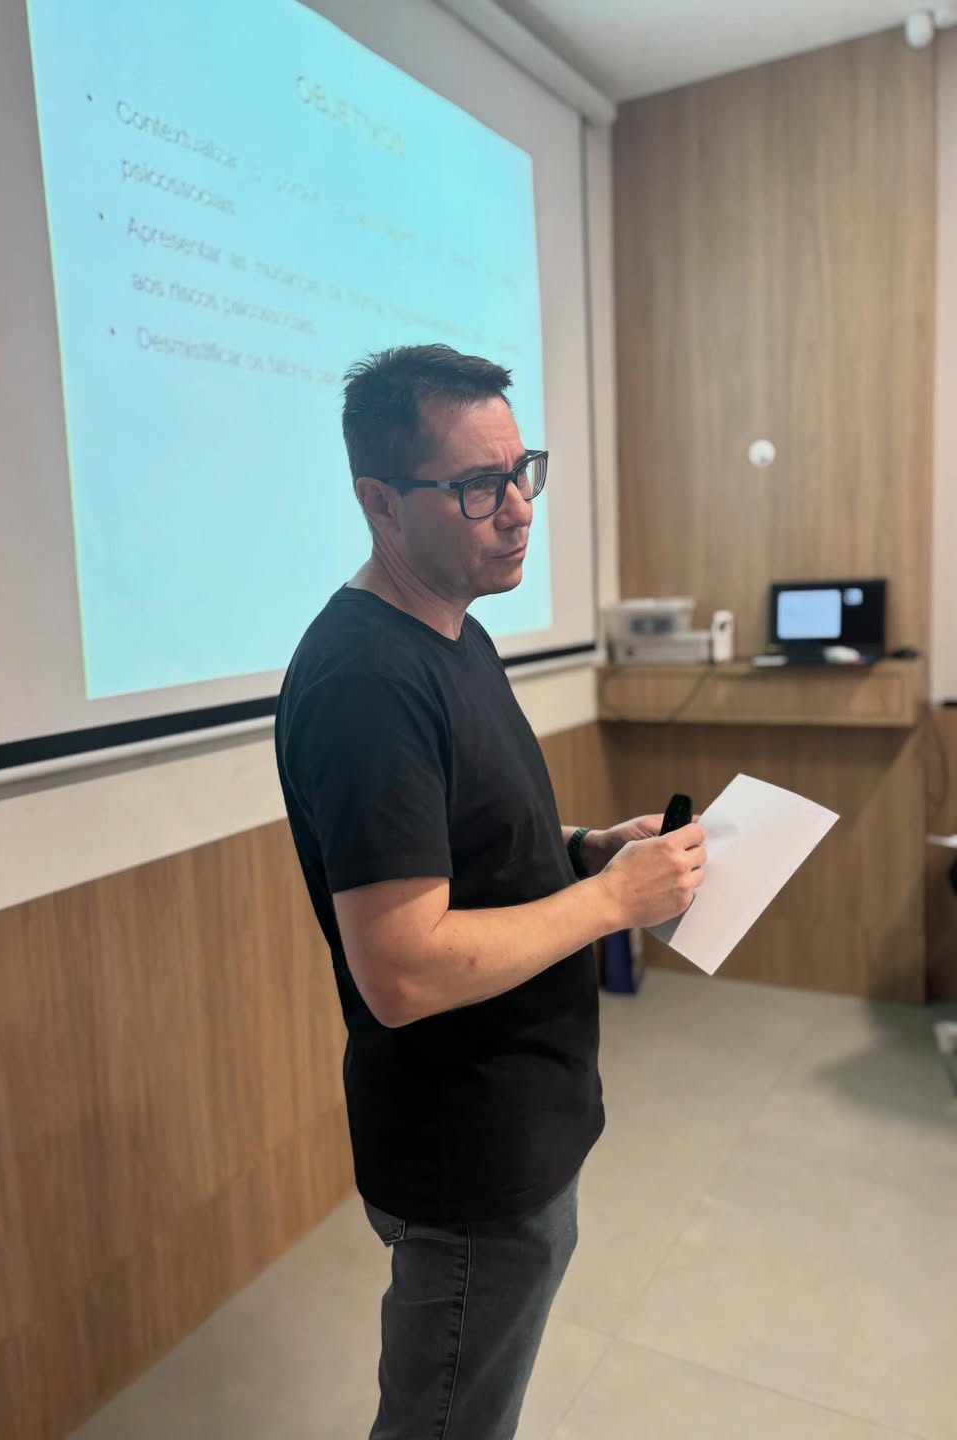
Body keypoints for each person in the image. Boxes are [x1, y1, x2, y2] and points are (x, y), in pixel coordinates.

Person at [274, 344, 706, 1439]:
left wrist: (587, 851)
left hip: (521, 1119)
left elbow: (467, 845)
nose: (518, 509)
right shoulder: (367, 684)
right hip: (465, 1153)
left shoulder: (455, 632)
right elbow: (404, 969)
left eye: (522, 472)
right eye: (478, 486)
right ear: (379, 503)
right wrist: (613, 903)